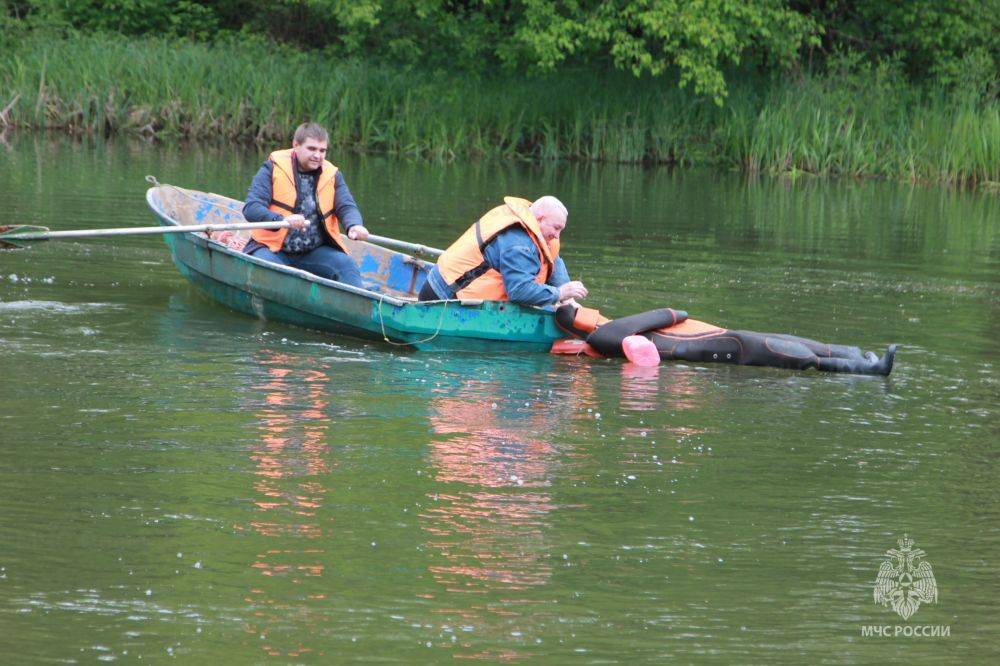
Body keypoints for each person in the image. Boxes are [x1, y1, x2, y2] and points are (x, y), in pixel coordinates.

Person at [554, 304, 898, 375]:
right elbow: (672, 313)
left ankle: (856, 354)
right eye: (579, 310)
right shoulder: (606, 335)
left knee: (788, 341)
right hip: (718, 347)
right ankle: (870, 369)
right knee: (789, 354)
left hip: (716, 337)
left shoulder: (613, 337)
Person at [242, 122, 369, 288]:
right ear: (296, 145)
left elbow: (346, 206)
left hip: (314, 252)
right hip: (272, 249)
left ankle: (358, 309)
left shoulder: (333, 175)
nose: (318, 155)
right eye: (312, 149)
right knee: (271, 271)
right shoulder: (272, 168)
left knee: (347, 266)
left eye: (322, 150)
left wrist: (354, 225)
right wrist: (282, 219)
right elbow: (251, 207)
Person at [418, 195, 588, 306]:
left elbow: (553, 259)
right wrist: (559, 293)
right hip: (443, 296)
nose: (558, 236)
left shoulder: (536, 228)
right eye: (556, 228)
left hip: (448, 284)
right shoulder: (518, 243)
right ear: (540, 219)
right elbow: (519, 291)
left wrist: (568, 298)